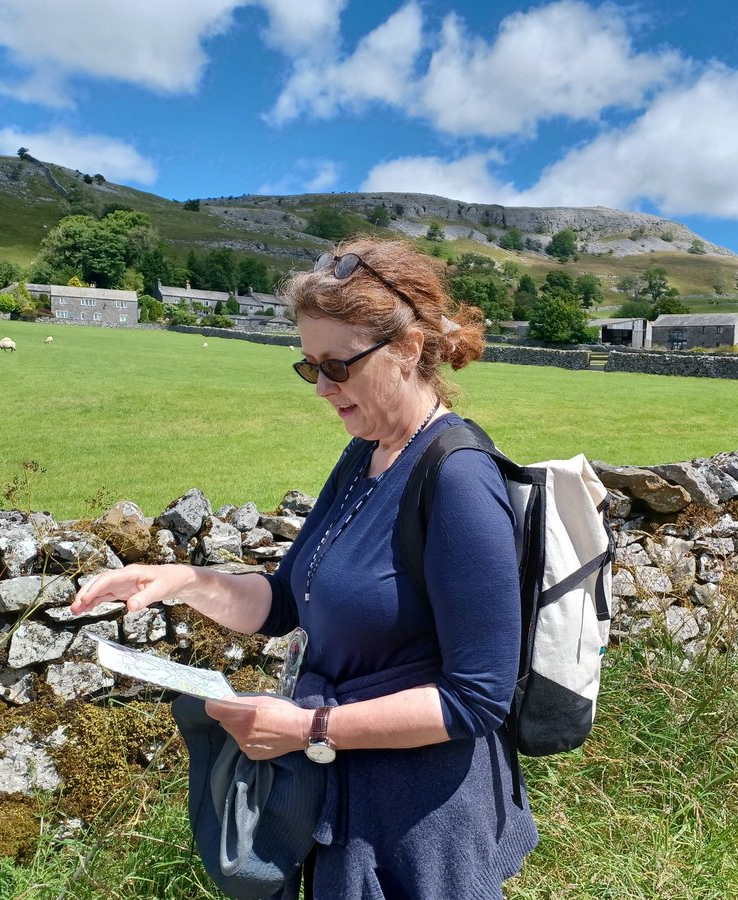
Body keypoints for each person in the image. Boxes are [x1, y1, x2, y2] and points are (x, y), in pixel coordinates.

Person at [70, 237, 538, 898]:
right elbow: (288, 599)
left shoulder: (458, 478)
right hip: (344, 801)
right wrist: (183, 582)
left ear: (408, 348)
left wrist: (309, 728)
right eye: (309, 367)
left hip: (421, 826)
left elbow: (476, 698)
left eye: (337, 366)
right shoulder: (366, 453)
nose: (321, 388)